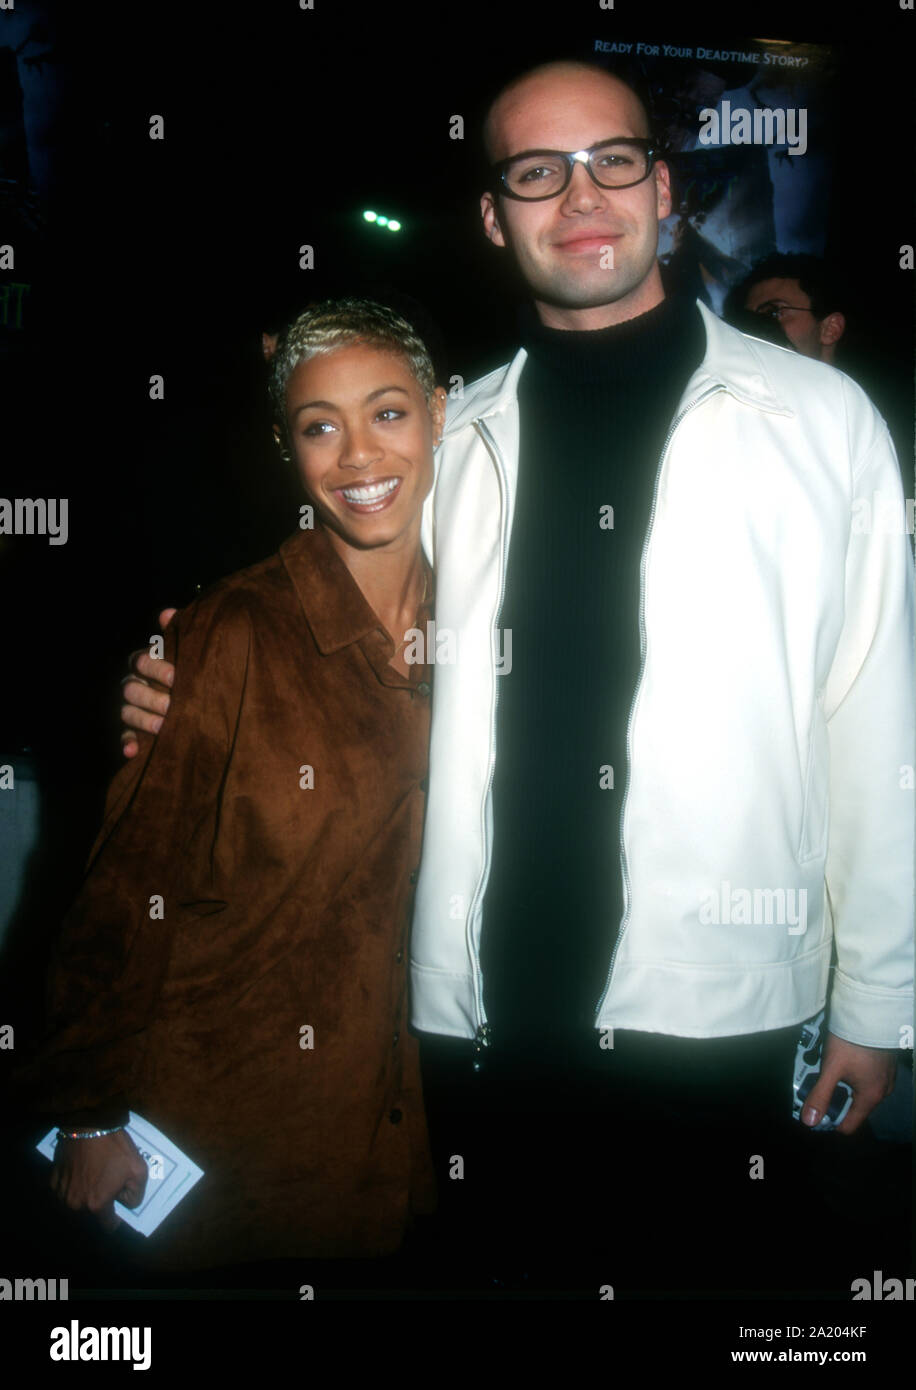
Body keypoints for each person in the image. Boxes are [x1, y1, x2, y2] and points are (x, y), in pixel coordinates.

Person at [118, 62, 913, 1291]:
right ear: (495, 214)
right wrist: (188, 671)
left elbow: (875, 719)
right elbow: (340, 617)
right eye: (535, 172)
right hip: (472, 1015)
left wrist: (877, 998)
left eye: (610, 161)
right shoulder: (459, 433)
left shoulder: (821, 422)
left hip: (716, 1006)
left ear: (663, 187)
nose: (579, 196)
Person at [20, 298, 446, 1278]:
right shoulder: (232, 632)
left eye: (386, 412)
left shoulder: (481, 620)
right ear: (286, 450)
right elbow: (125, 885)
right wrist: (86, 1111)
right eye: (317, 426)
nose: (355, 456)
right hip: (214, 1114)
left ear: (437, 412)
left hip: (387, 1112)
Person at [724, 252, 846, 363]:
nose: (755, 328)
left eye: (773, 313)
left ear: (831, 329)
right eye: (748, 320)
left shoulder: (849, 387)